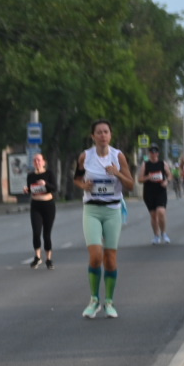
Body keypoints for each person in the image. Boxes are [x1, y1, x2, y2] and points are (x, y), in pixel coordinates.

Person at [72, 120, 133, 319]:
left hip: (112, 210)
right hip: (92, 210)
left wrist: (117, 174)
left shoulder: (118, 156)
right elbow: (76, 178)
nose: (102, 135)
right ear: (93, 136)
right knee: (96, 255)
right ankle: (94, 299)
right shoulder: (85, 156)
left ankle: (109, 302)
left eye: (106, 132)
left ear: (110, 135)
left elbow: (131, 185)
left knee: (111, 259)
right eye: (99, 132)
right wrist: (84, 186)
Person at [24, 152, 57, 268]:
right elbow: (30, 189)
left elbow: (54, 188)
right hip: (35, 205)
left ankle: (48, 259)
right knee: (36, 232)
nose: (37, 162)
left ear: (44, 162)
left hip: (48, 205)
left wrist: (45, 183)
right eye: (35, 161)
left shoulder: (49, 173)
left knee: (46, 234)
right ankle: (37, 257)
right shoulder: (31, 175)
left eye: (39, 160)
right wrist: (26, 190)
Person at [141, 145, 171, 244]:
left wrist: (167, 181)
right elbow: (140, 179)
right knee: (153, 215)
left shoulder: (163, 164)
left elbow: (169, 175)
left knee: (161, 212)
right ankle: (156, 235)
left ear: (158, 153)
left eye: (155, 152)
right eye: (152, 152)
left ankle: (164, 233)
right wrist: (147, 178)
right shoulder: (145, 164)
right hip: (149, 192)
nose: (153, 154)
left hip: (160, 191)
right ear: (149, 153)